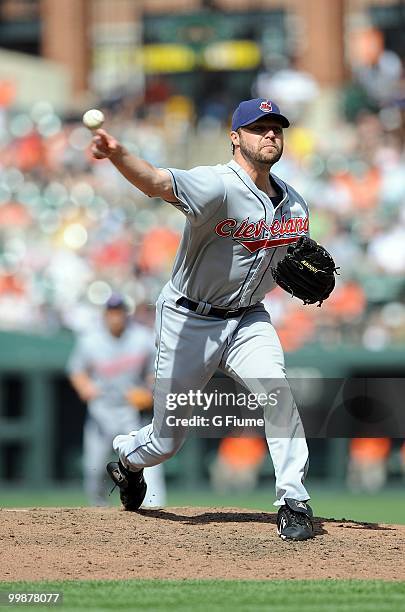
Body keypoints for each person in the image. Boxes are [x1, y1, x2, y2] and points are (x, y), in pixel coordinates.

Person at [93, 98, 314, 541]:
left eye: (276, 127)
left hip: (249, 318)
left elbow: (292, 263)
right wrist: (118, 155)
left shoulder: (295, 205)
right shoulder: (217, 185)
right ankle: (128, 461)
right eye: (258, 128)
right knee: (166, 441)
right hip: (189, 320)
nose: (270, 134)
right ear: (235, 137)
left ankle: (293, 499)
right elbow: (156, 182)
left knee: (277, 392)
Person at [67, 294, 166, 507]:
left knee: (147, 457)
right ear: (105, 314)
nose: (116, 316)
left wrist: (149, 392)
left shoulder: (142, 338)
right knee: (93, 467)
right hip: (101, 411)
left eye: (119, 311)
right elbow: (77, 371)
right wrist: (85, 386)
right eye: (112, 312)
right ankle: (100, 509)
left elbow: (155, 373)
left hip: (131, 412)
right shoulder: (90, 340)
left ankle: (153, 506)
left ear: (125, 314)